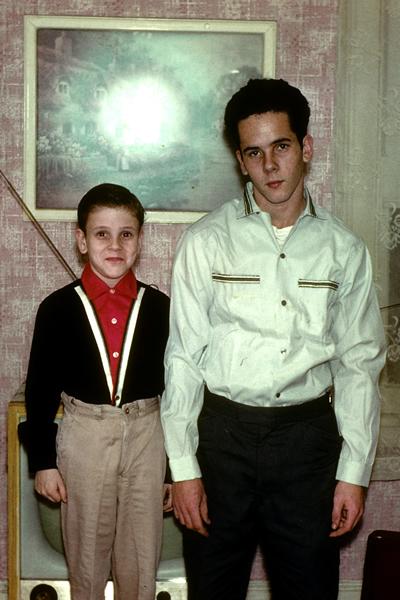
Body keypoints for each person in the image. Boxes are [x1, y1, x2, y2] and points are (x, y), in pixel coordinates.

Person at [161, 79, 386, 600]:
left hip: (307, 445)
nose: (269, 166)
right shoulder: (204, 242)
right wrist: (185, 467)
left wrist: (353, 472)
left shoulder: (344, 250)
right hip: (221, 441)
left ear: (305, 148)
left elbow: (359, 364)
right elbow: (183, 359)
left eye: (281, 147)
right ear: (241, 161)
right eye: (254, 152)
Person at [21, 183, 171, 600]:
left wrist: (174, 470)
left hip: (147, 434)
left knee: (141, 558)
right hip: (85, 436)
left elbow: (176, 392)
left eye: (126, 233)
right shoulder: (57, 308)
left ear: (140, 240)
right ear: (81, 241)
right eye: (101, 233)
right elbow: (40, 390)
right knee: (86, 557)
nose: (115, 244)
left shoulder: (160, 308)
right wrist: (45, 462)